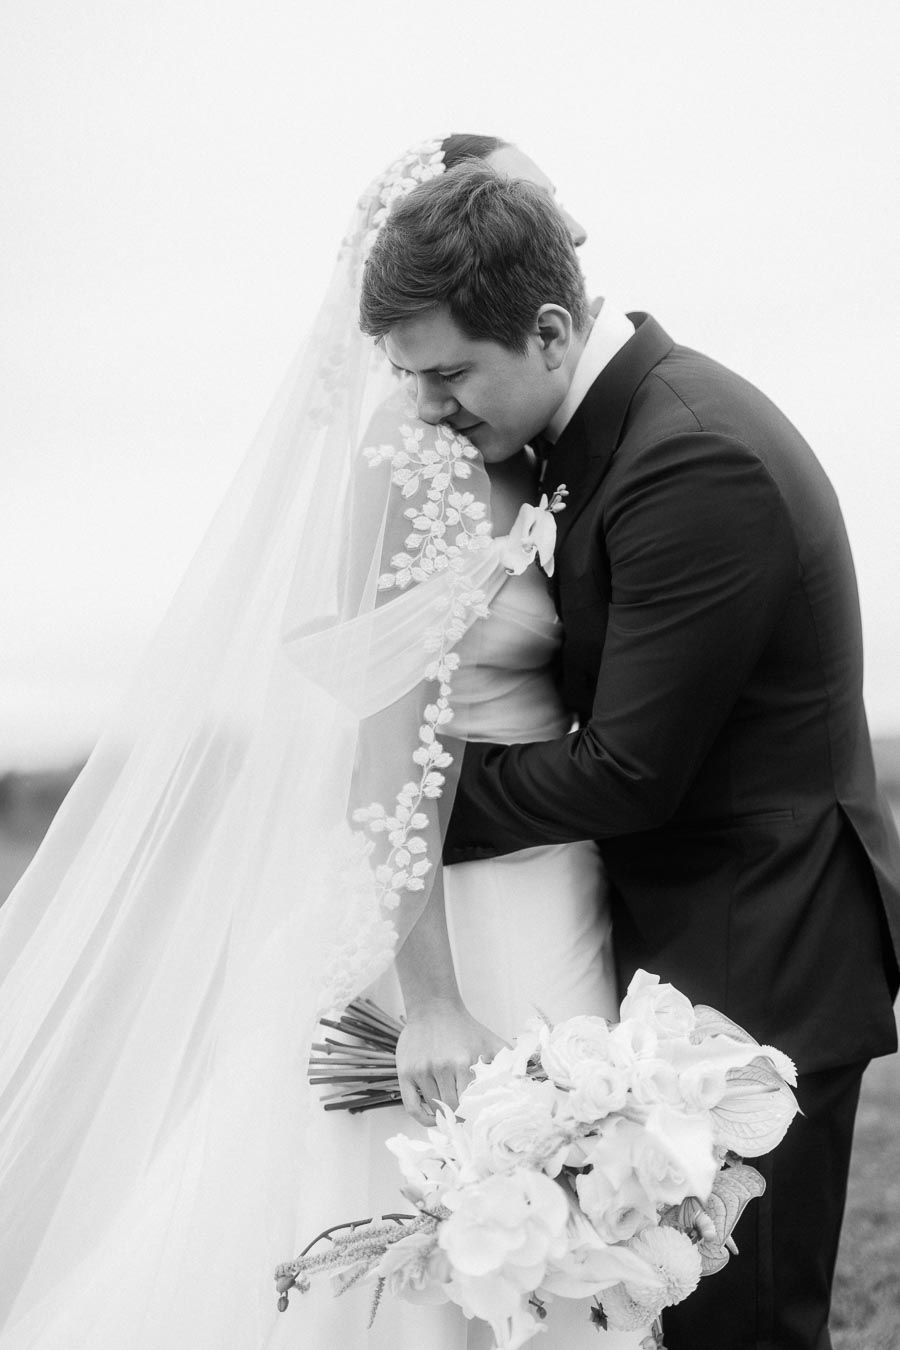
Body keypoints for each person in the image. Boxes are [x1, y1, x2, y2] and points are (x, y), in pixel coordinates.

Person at [0, 137, 645, 1350]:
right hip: (455, 910)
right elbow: (389, 747)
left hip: (554, 878)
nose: (568, 227)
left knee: (562, 1225)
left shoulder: (536, 441)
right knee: (428, 1239)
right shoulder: (420, 461)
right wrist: (435, 1005)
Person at [358, 160, 900, 1350]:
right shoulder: (595, 433)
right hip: (679, 929)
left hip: (759, 952)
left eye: (451, 373)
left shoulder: (689, 457)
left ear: (551, 330)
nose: (431, 407)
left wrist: (405, 800)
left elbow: (625, 775)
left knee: (738, 1327)